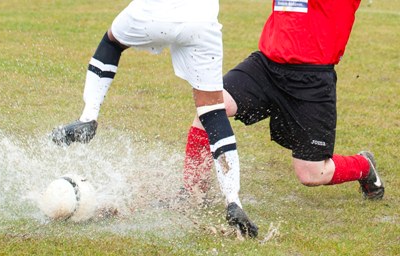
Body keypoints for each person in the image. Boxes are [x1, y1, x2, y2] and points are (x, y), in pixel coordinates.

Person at [51, 0, 258, 237]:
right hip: (202, 19)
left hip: (156, 12)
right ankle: (233, 200)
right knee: (212, 111)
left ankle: (88, 117)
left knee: (112, 41)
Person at [183, 0, 385, 224]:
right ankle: (193, 191)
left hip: (311, 80)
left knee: (312, 173)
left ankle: (364, 165)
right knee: (210, 108)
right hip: (266, 65)